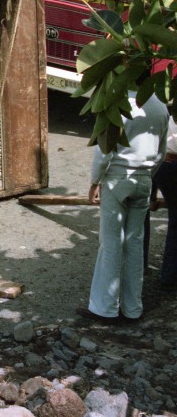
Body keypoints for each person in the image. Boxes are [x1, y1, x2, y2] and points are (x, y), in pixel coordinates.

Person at [79, 89, 169, 323]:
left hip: (117, 178)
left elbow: (104, 150)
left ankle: (105, 308)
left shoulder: (118, 102)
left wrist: (95, 181)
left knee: (110, 243)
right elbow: (161, 152)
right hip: (144, 178)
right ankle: (133, 308)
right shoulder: (160, 106)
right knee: (135, 244)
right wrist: (147, 175)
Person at [151, 116, 177, 288]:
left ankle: (168, 275)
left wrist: (152, 195)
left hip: (162, 164)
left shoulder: (168, 115)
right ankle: (169, 276)